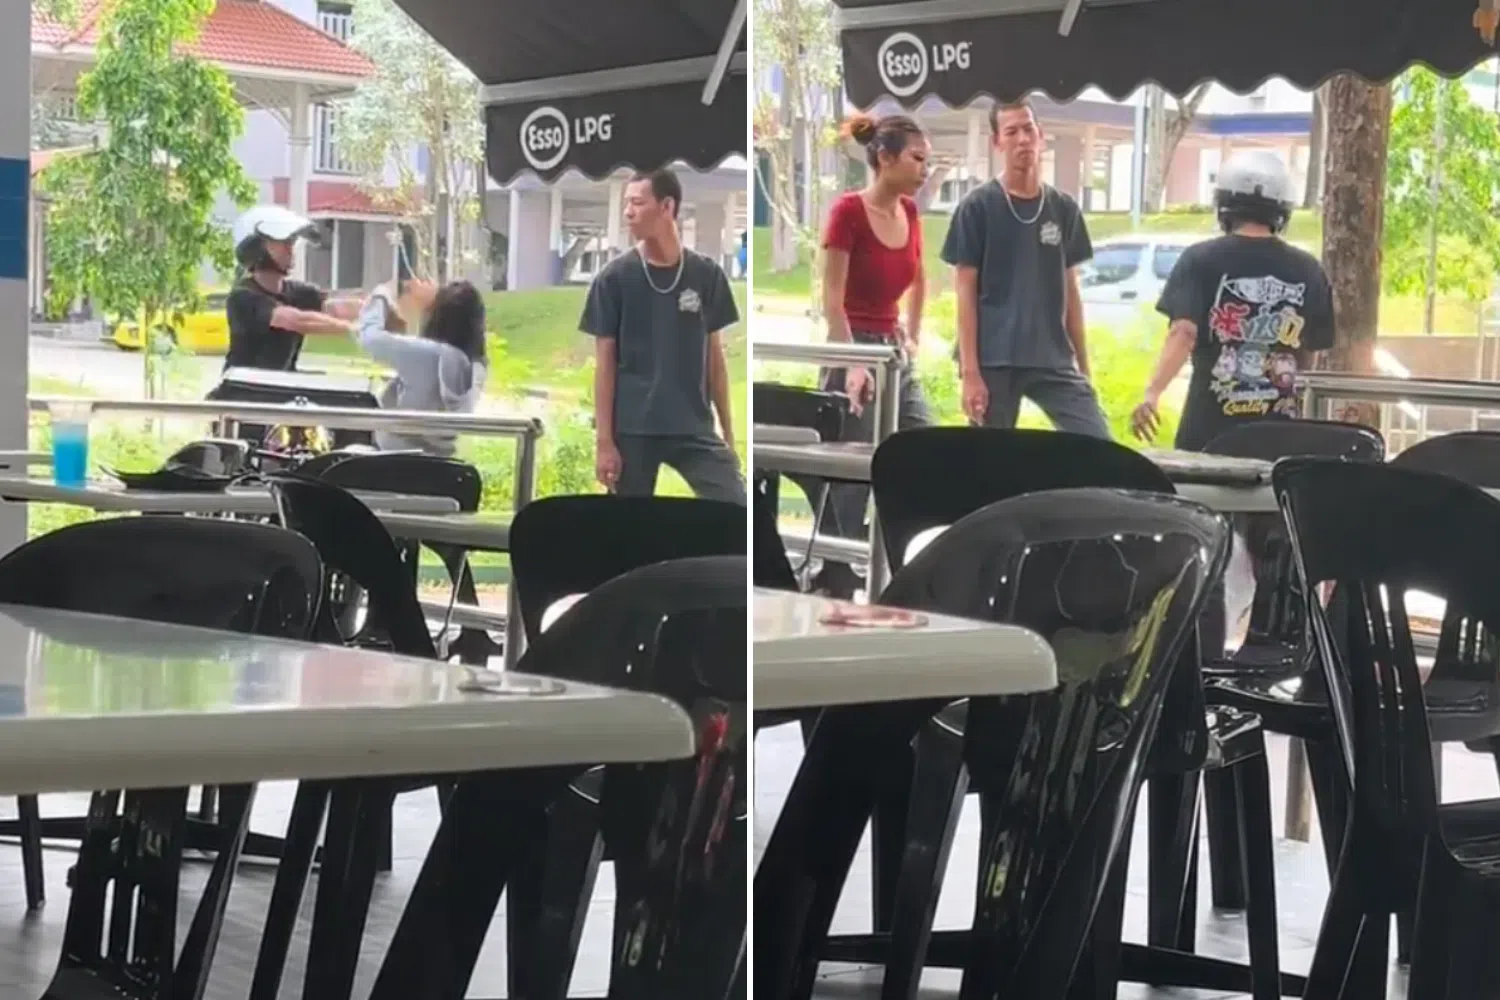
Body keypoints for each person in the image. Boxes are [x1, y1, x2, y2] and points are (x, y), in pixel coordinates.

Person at [1130, 150, 1333, 450]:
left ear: (1224, 206)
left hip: (1209, 432)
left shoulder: (1199, 259)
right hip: (1280, 435)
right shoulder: (1309, 269)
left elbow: (1183, 333)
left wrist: (1153, 393)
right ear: (1282, 210)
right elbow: (1310, 351)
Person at [940, 99, 1110, 438]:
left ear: (1040, 135)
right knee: (991, 460)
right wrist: (970, 372)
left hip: (1052, 356)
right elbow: (965, 290)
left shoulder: (1063, 208)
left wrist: (1084, 368)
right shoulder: (977, 207)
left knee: (1098, 442)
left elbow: (1071, 291)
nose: (1022, 139)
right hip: (995, 359)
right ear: (997, 142)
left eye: (1028, 129)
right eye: (1012, 132)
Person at [815, 113, 932, 594]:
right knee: (852, 470)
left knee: (923, 446)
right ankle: (836, 576)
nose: (925, 169)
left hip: (893, 351)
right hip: (853, 344)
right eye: (917, 158)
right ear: (885, 158)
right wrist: (853, 363)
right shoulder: (848, 211)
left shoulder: (911, 213)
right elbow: (831, 298)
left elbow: (920, 279)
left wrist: (912, 335)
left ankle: (892, 561)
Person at [581, 168, 745, 504]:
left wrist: (729, 434)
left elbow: (715, 359)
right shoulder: (613, 279)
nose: (628, 212)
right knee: (629, 527)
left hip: (692, 425)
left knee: (736, 505)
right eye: (627, 203)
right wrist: (605, 442)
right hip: (633, 429)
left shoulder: (707, 275)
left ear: (667, 206)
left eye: (637, 203)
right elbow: (605, 365)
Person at [355, 277, 489, 456]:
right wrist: (430, 306)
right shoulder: (474, 365)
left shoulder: (431, 355)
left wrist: (381, 294)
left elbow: (370, 338)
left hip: (395, 459)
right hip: (438, 461)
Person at [224, 206, 361, 371]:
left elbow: (335, 308)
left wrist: (380, 309)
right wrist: (352, 329)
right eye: (284, 243)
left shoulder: (297, 292)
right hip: (241, 384)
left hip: (280, 383)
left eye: (292, 243)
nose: (290, 250)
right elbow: (295, 320)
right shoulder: (242, 297)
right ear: (257, 248)